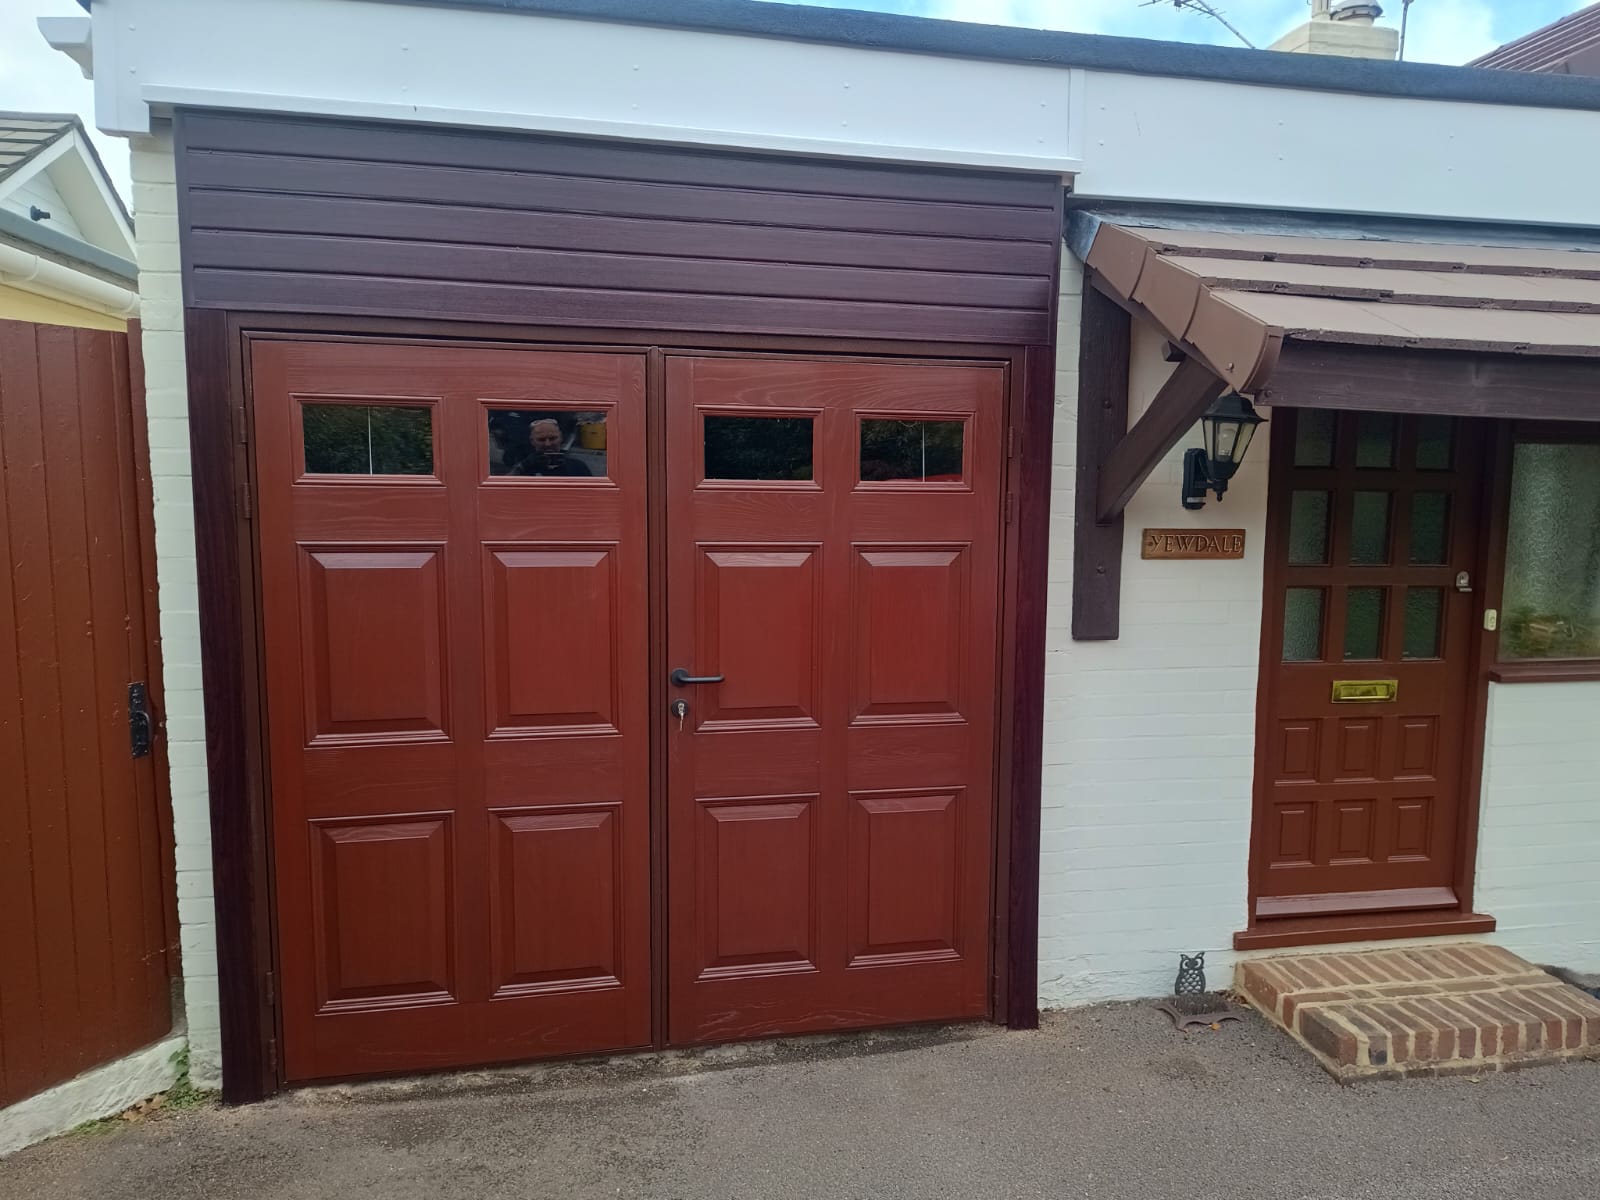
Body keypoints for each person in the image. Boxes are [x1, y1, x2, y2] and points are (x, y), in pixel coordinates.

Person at [508, 418, 591, 477]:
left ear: (561, 438)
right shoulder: (524, 468)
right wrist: (522, 466)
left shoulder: (578, 467)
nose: (547, 444)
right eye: (541, 440)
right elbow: (503, 489)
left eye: (552, 438)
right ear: (532, 441)